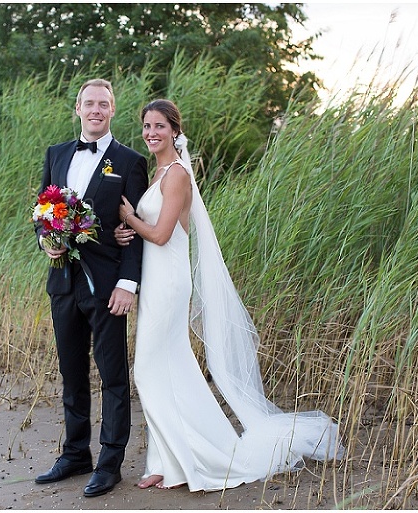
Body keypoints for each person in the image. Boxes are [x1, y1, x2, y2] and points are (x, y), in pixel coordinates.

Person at [114, 99, 344, 491]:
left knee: (148, 369)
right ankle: (168, 461)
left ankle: (193, 458)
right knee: (171, 368)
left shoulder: (177, 176)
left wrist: (130, 218)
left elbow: (163, 234)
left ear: (174, 131)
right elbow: (148, 233)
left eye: (159, 127)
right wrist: (128, 232)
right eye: (147, 127)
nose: (151, 133)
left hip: (169, 281)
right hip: (154, 280)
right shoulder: (157, 173)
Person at [33, 79, 149, 497]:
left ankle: (110, 461)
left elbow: (133, 230)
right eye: (89, 103)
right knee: (71, 371)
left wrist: (127, 283)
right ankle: (75, 453)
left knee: (113, 373)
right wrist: (47, 240)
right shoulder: (56, 154)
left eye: (104, 104)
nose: (96, 110)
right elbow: (42, 214)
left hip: (106, 286)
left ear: (113, 110)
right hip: (62, 282)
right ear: (77, 108)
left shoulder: (130, 161)